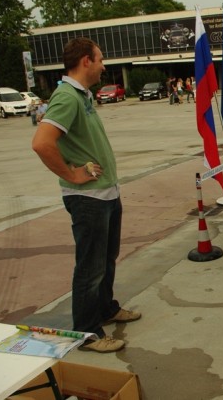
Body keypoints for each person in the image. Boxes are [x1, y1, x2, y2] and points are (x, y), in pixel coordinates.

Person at [31, 37, 141, 353]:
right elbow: (42, 143)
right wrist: (71, 174)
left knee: (105, 260)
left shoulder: (82, 95)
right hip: (88, 198)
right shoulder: (66, 97)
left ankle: (105, 309)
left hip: (105, 194)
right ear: (86, 61)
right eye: (101, 59)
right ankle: (87, 334)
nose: (104, 65)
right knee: (90, 268)